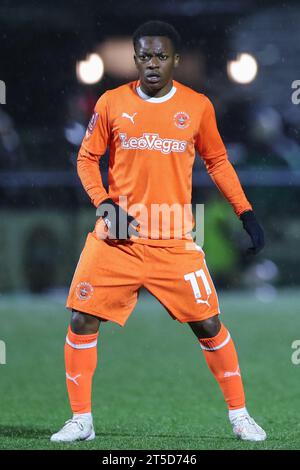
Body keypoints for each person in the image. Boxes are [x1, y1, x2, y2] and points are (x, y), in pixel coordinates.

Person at [51, 20, 266, 443]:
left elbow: (218, 162)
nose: (153, 64)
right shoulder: (112, 102)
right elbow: (86, 157)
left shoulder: (198, 106)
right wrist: (104, 203)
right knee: (81, 318)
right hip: (117, 238)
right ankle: (81, 421)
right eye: (145, 56)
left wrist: (246, 212)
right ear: (135, 60)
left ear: (175, 61)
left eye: (161, 56)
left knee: (208, 325)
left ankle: (240, 416)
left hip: (174, 239)